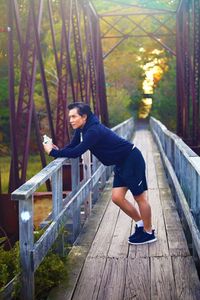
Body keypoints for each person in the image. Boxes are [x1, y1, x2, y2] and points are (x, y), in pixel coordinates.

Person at [43, 102, 157, 245]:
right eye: (69, 117)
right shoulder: (82, 129)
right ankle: (140, 225)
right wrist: (57, 150)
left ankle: (149, 232)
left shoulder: (93, 131)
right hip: (121, 162)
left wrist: (52, 152)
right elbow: (72, 147)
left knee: (140, 198)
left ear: (84, 117)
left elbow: (77, 152)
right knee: (117, 197)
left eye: (73, 116)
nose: (70, 120)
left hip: (132, 160)